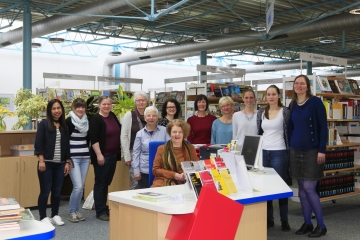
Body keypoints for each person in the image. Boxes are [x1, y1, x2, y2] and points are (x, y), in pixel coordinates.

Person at [288, 75, 328, 238]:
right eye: (296, 83)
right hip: (296, 150)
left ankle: (321, 225)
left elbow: (323, 127)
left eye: (302, 83)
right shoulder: (292, 104)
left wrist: (322, 150)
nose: (299, 86)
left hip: (313, 151)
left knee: (310, 188)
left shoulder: (315, 102)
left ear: (307, 86)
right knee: (302, 190)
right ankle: (307, 223)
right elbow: (290, 127)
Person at [256, 85, 291, 231]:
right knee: (266, 188)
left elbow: (289, 131)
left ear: (278, 96)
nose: (271, 97)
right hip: (264, 152)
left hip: (279, 152)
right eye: (268, 94)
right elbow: (259, 131)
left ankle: (284, 221)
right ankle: (269, 219)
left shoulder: (285, 112)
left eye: (273, 94)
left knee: (281, 187)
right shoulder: (261, 112)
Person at [34, 99, 71, 226]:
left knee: (57, 191)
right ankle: (43, 217)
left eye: (59, 108)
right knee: (45, 191)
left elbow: (66, 146)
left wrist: (67, 162)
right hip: (46, 163)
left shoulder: (64, 126)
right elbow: (38, 144)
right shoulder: (43, 124)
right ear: (50, 111)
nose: (57, 111)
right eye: (54, 108)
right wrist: (41, 160)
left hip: (60, 164)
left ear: (62, 109)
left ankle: (55, 215)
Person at [88, 96, 121, 221]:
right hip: (102, 156)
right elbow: (94, 138)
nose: (107, 106)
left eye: (109, 104)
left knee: (106, 182)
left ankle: (101, 206)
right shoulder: (96, 119)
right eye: (104, 104)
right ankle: (100, 211)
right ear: (99, 105)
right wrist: (99, 154)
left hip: (113, 156)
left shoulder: (112, 116)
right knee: (100, 183)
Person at [151, 119, 199, 187]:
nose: (177, 134)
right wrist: (174, 175)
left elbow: (197, 167)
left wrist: (186, 174)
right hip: (164, 181)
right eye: (174, 132)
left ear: (184, 133)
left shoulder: (190, 148)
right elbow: (155, 170)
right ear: (170, 133)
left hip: (185, 182)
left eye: (180, 132)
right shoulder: (162, 149)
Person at [132, 106, 170, 189]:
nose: (151, 118)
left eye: (154, 115)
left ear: (157, 117)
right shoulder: (140, 134)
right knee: (145, 195)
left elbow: (170, 149)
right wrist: (136, 171)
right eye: (148, 116)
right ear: (145, 118)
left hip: (161, 169)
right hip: (144, 170)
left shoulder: (165, 131)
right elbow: (136, 153)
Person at [66, 98, 90, 223]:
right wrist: (67, 158)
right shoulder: (69, 121)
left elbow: (89, 140)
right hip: (73, 158)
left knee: (81, 187)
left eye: (82, 107)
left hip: (85, 157)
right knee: (78, 186)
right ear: (73, 108)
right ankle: (71, 212)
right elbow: (64, 141)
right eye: (78, 107)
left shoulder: (87, 121)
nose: (80, 109)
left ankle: (76, 211)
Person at [121, 91, 148, 190]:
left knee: (145, 180)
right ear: (135, 102)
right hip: (133, 153)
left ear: (146, 102)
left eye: (143, 100)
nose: (141, 102)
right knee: (136, 180)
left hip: (147, 153)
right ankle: (131, 202)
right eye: (138, 100)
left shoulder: (149, 115)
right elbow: (123, 135)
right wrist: (127, 156)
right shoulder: (129, 115)